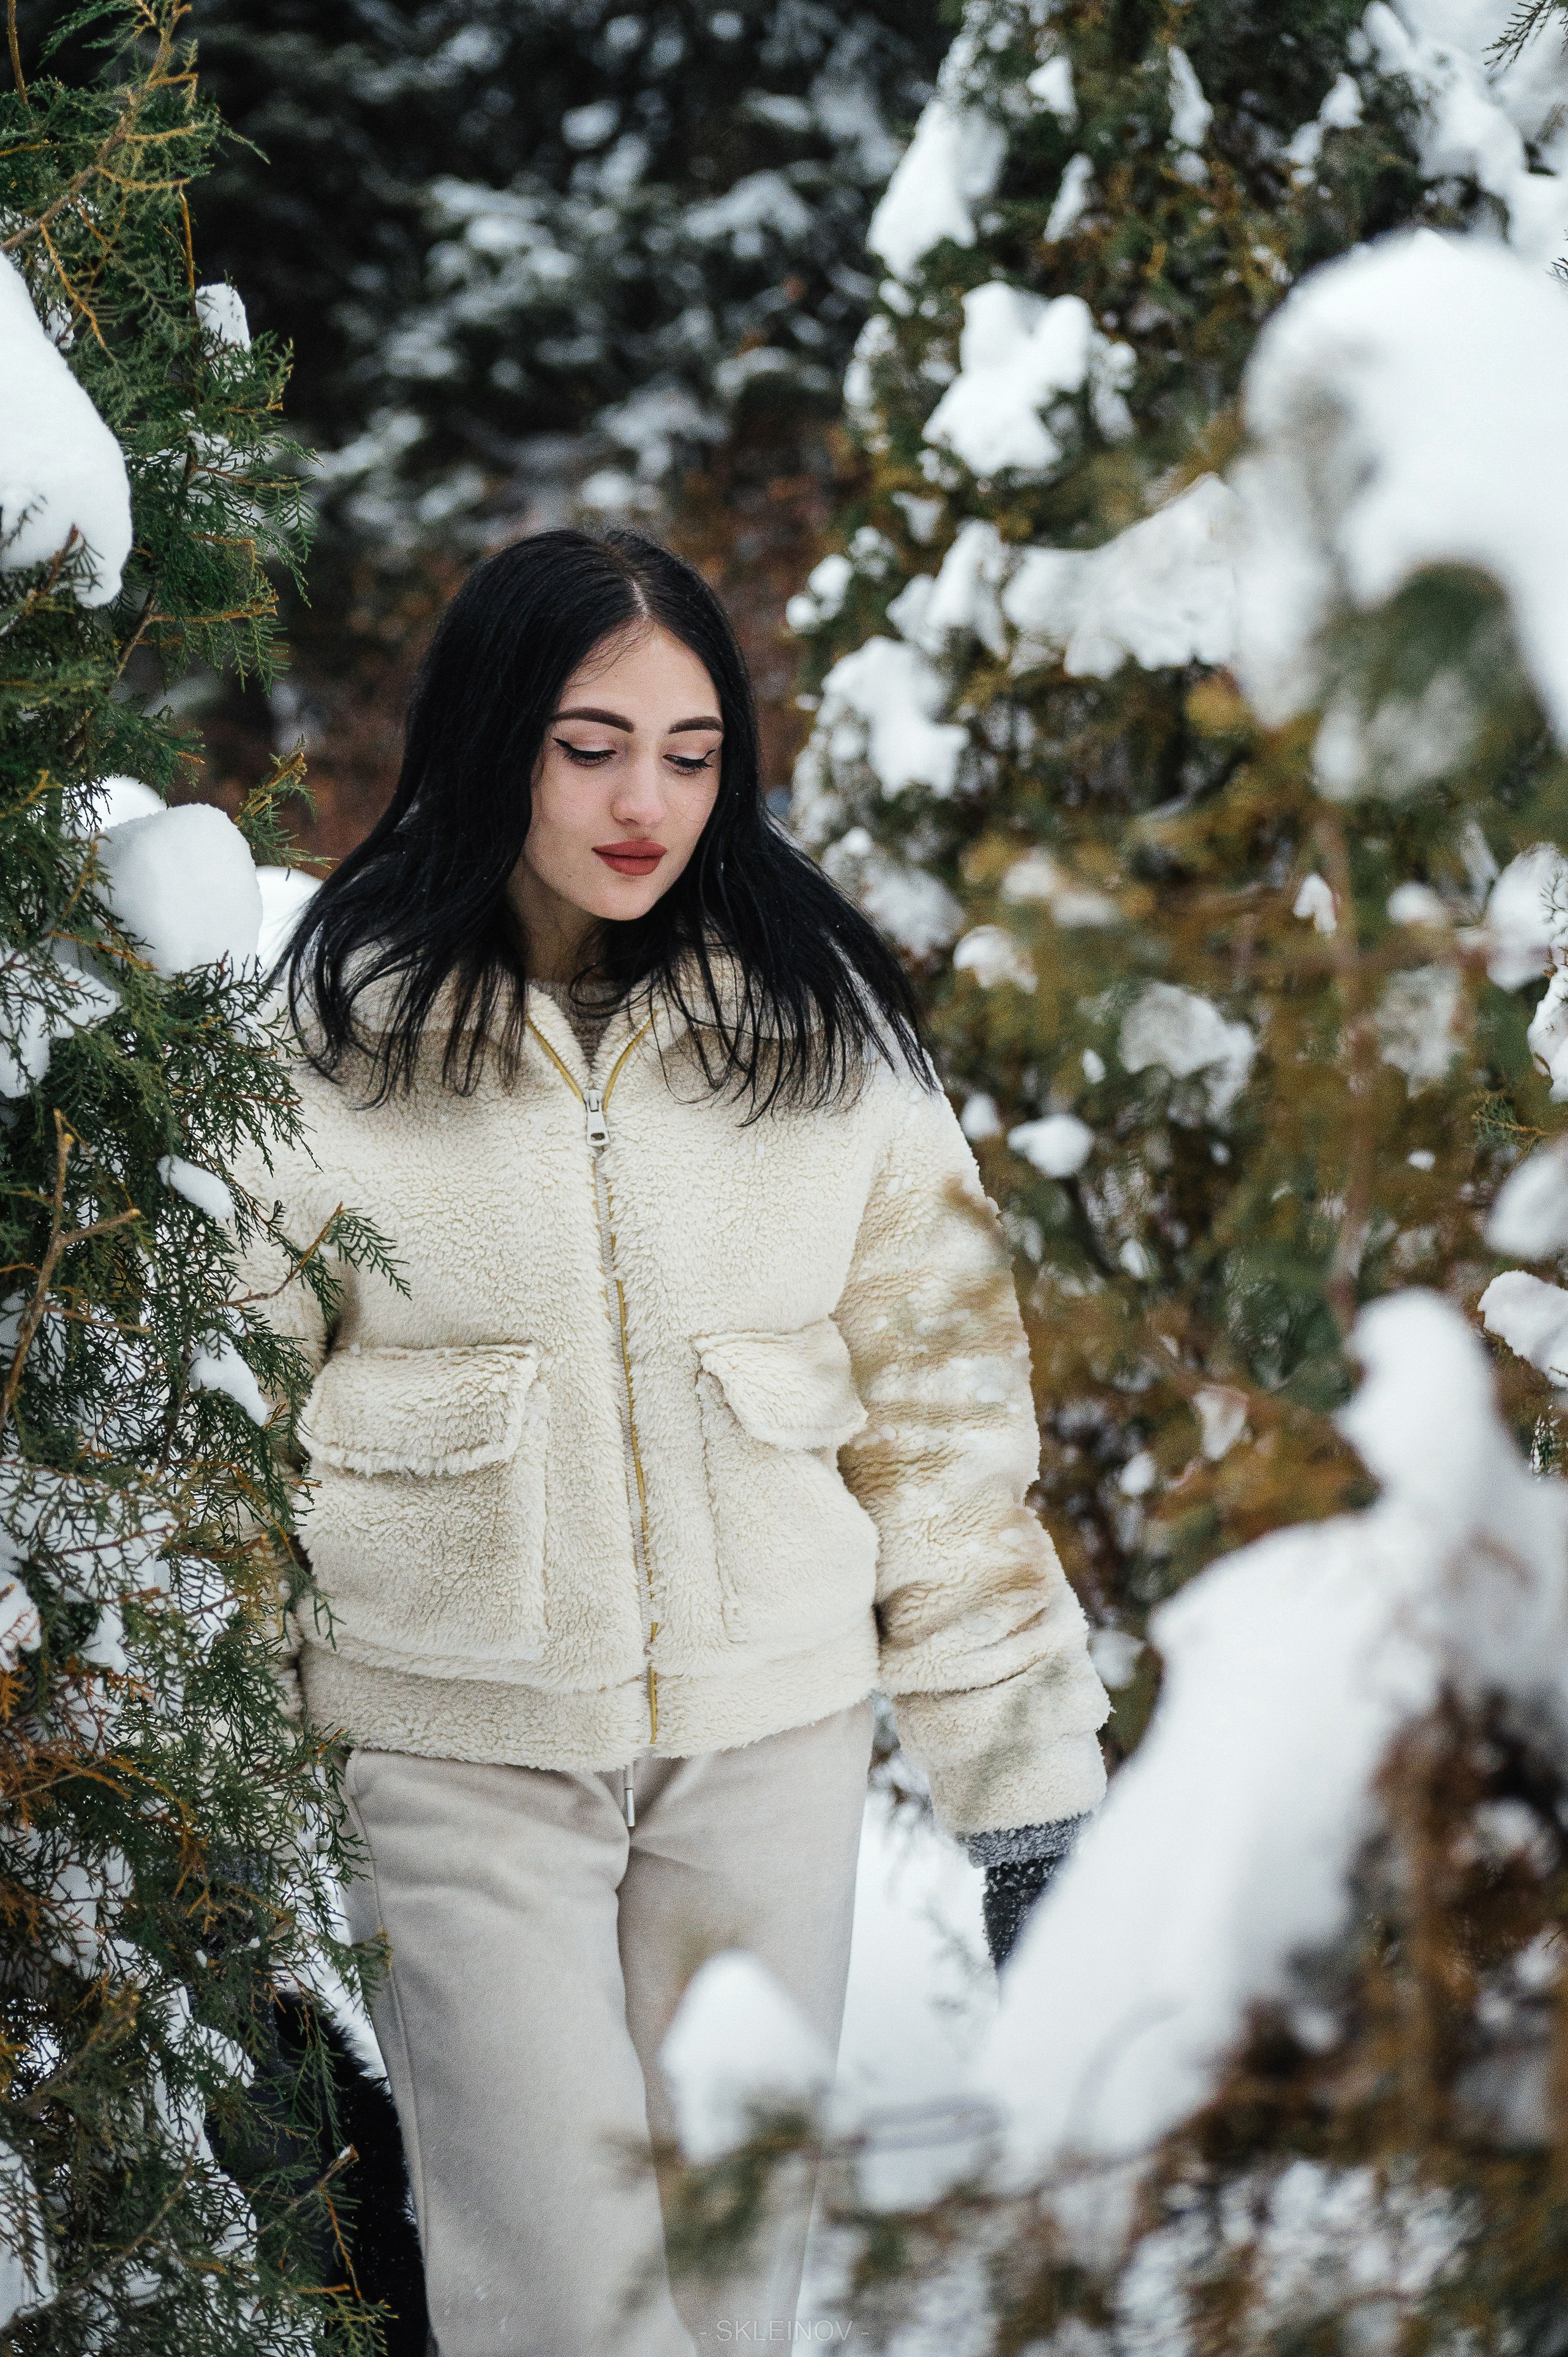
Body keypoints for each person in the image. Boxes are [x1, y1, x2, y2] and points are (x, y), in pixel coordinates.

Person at [236, 528, 1109, 2357]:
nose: (649, 800)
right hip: (455, 1761)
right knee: (558, 2305)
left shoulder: (824, 1042)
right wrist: (215, 1820)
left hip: (762, 1756)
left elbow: (949, 1442)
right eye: (591, 745)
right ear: (491, 742)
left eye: (694, 752)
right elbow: (212, 1449)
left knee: (726, 2298)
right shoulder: (330, 1050)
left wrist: (1028, 1804)